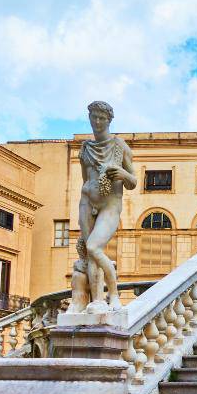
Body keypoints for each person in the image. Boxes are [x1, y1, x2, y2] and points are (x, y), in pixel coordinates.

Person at [69, 101, 136, 313]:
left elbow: (132, 181)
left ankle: (114, 295)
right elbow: (85, 178)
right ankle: (97, 301)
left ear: (109, 120)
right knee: (90, 256)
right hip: (87, 201)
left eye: (102, 118)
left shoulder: (120, 146)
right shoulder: (86, 148)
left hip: (110, 204)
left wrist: (123, 174)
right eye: (94, 117)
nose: (97, 122)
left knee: (93, 247)